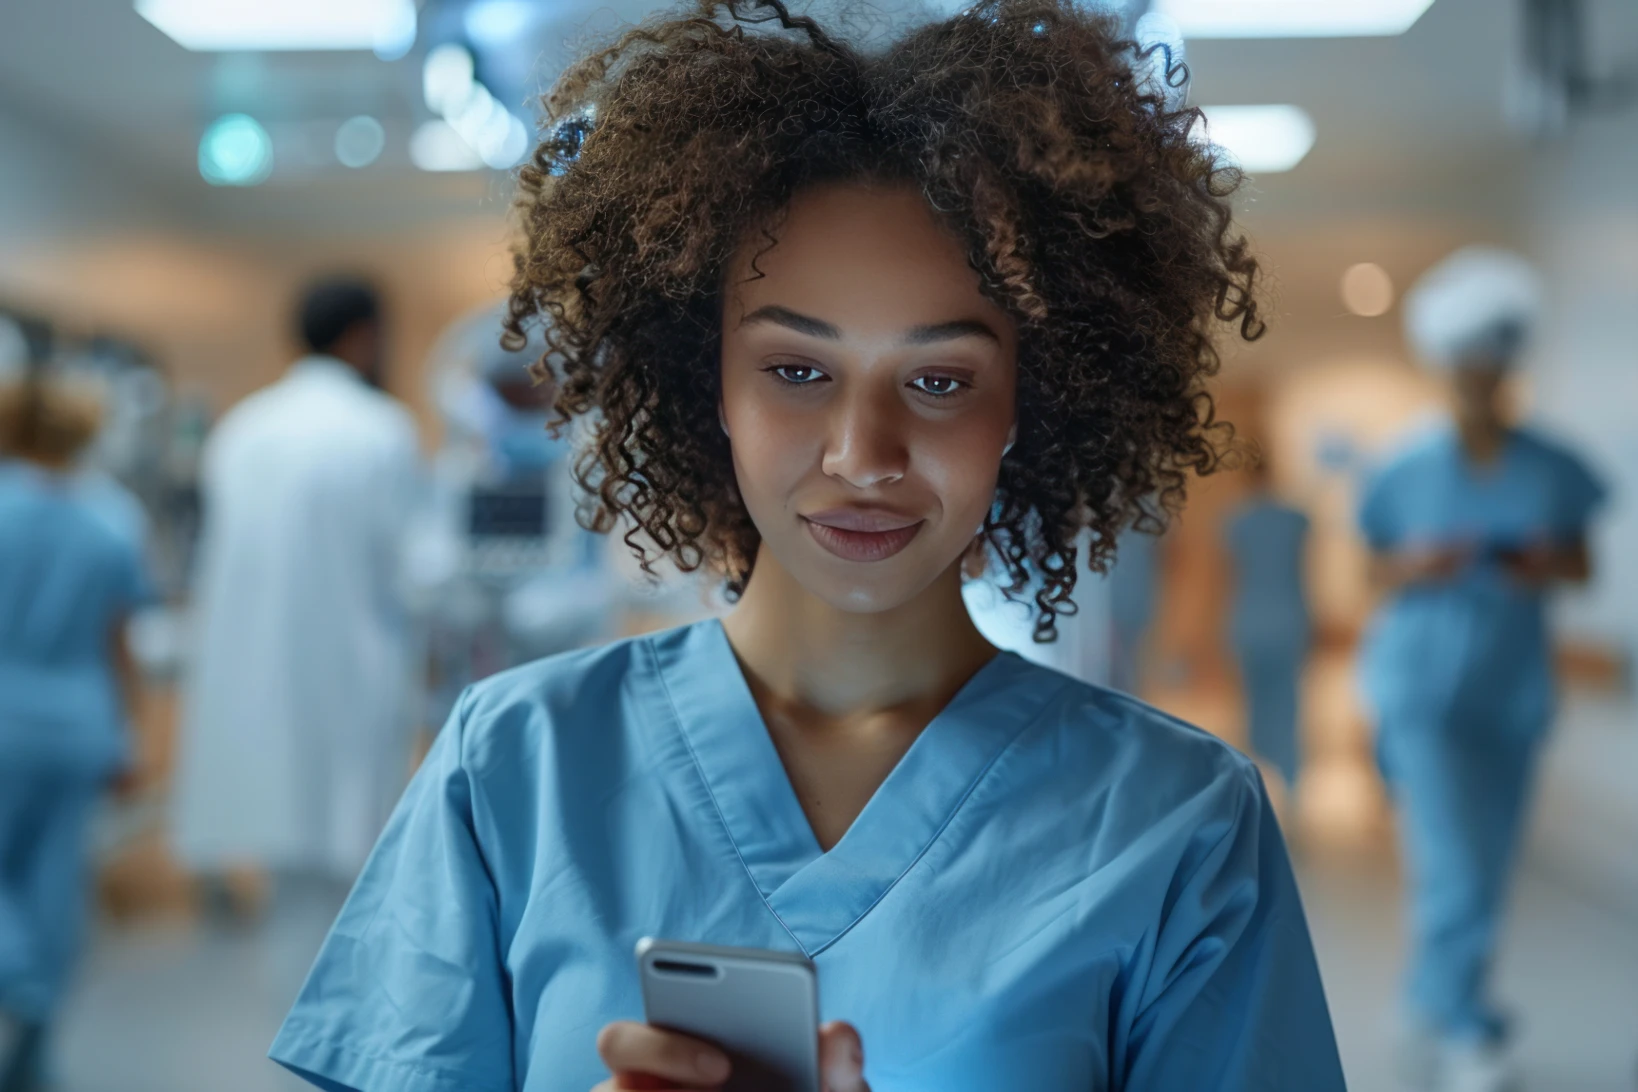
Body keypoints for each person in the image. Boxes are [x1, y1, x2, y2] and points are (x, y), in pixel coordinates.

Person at [269, 3, 1346, 1089]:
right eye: (796, 370)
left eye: (939, 380)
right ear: (712, 383)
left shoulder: (1178, 826)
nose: (863, 453)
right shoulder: (514, 767)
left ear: (1029, 399)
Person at [1359, 246, 1606, 1092]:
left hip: (1512, 690)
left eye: (1496, 360)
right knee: (1454, 863)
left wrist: (1540, 565)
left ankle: (1429, 995)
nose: (1481, 375)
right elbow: (1371, 569)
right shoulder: (1404, 465)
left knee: (1485, 865)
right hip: (1422, 688)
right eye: (1468, 360)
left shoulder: (1551, 465)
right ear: (1445, 366)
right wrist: (1417, 566)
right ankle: (1469, 1025)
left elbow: (1582, 566)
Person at [171, 278, 423, 919]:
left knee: (295, 884)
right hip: (349, 682)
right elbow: (414, 569)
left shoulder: (243, 428)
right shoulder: (379, 428)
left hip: (259, 689)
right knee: (354, 886)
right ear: (364, 336)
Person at [0, 376, 151, 1092]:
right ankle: (38, 1033)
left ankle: (20, 982)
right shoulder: (110, 522)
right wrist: (130, 736)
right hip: (79, 723)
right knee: (56, 883)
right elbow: (121, 642)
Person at [1224, 455, 1311, 801]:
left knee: (1255, 708)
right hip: (1287, 620)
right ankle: (1289, 792)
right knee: (1286, 709)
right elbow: (1303, 576)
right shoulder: (1295, 521)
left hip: (1250, 621)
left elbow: (1231, 578)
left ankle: (1258, 791)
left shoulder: (1237, 523)